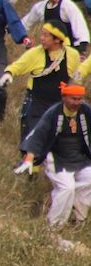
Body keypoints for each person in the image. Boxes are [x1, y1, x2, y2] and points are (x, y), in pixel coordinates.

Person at [16, 82, 91, 228]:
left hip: (81, 157)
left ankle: (78, 218)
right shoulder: (53, 113)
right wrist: (29, 160)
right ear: (64, 97)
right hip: (56, 157)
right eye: (73, 99)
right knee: (67, 188)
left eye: (79, 99)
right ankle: (54, 225)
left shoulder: (86, 111)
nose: (77, 102)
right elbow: (38, 136)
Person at [3, 22, 82, 145]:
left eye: (46, 35)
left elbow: (76, 79)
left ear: (57, 39)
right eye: (42, 35)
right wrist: (9, 73)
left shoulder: (72, 55)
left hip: (59, 105)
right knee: (31, 142)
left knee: (58, 144)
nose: (42, 38)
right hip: (36, 104)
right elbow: (19, 65)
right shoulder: (36, 53)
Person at [21, 0, 90, 55]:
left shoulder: (68, 6)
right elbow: (23, 25)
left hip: (69, 53)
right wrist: (25, 39)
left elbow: (80, 28)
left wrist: (81, 50)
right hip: (49, 54)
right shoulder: (40, 7)